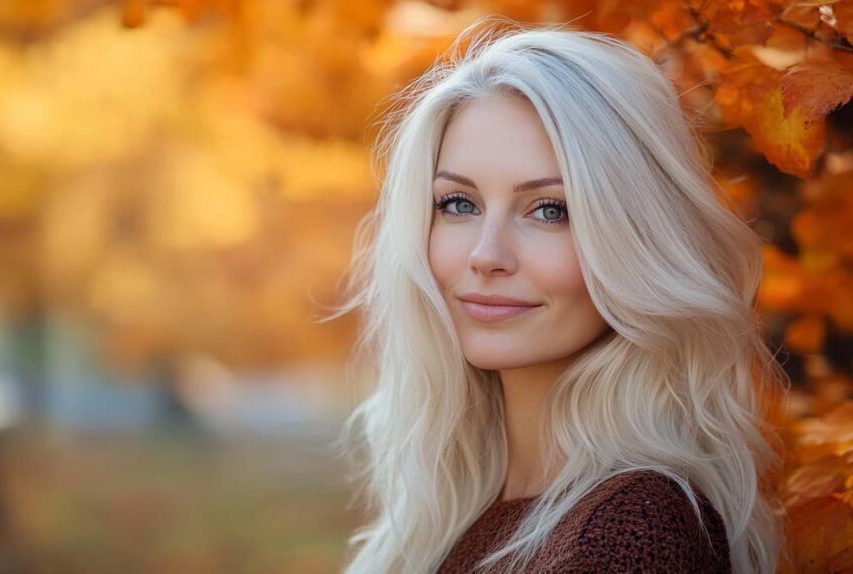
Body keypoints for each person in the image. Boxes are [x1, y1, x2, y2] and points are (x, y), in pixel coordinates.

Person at [323, 15, 789, 574]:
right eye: (458, 205)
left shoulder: (629, 531)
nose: (486, 253)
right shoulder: (462, 510)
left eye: (550, 210)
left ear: (636, 242)